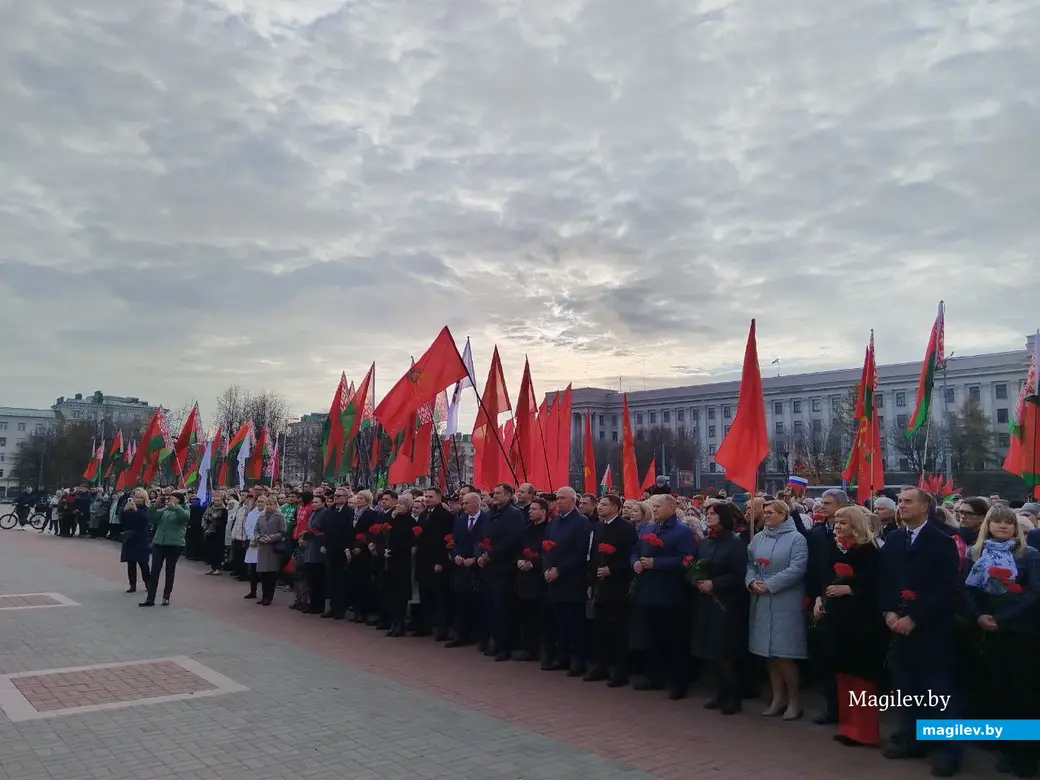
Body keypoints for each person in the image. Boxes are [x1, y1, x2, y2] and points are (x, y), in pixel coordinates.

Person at [879, 487, 961, 777]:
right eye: (899, 502)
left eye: (907, 501)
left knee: (938, 693)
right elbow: (885, 579)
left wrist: (915, 617)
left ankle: (948, 752)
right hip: (897, 628)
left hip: (931, 629)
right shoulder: (894, 539)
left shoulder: (942, 541)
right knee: (907, 690)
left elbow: (945, 587)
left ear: (925, 507)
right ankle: (912, 741)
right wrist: (889, 611)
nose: (901, 506)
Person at [963, 504, 1040, 778]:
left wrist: (1004, 618)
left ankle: (1026, 754)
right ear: (989, 525)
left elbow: (1035, 593)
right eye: (997, 522)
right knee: (1000, 689)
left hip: (1021, 633)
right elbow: (967, 589)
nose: (1003, 526)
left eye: (1008, 522)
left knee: (1024, 694)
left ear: (1016, 527)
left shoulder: (1029, 555)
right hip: (987, 630)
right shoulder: (976, 553)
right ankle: (1007, 748)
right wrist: (980, 615)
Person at [746, 499, 808, 720]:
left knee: (784, 653)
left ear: (783, 514)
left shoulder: (796, 539)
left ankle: (794, 700)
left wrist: (771, 585)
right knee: (769, 654)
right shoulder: (758, 537)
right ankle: (776, 698)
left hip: (785, 600)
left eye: (771, 512)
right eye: (765, 512)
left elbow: (797, 567)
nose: (767, 515)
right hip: (761, 600)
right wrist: (752, 582)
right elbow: (751, 564)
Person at [140, 491, 189, 607]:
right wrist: (155, 505)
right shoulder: (166, 510)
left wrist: (176, 507)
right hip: (159, 543)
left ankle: (166, 596)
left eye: (172, 497)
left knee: (169, 570)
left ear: (178, 499)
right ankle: (150, 598)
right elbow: (151, 516)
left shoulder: (184, 509)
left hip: (174, 544)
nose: (169, 499)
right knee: (155, 570)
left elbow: (184, 517)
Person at [254, 495, 288, 606]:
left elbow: (283, 532)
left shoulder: (280, 516)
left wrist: (271, 538)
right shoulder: (261, 516)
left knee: (271, 575)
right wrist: (258, 537)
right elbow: (256, 529)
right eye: (267, 504)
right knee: (263, 574)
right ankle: (264, 596)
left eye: (271, 504)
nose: (268, 506)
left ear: (275, 505)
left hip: (273, 548)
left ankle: (269, 597)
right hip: (262, 547)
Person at [119, 488, 152, 593]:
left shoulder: (146, 509)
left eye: (140, 498)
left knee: (143, 563)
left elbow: (144, 519)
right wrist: (124, 511)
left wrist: (136, 511)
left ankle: (148, 584)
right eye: (136, 497)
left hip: (141, 539)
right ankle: (132, 585)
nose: (138, 499)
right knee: (131, 563)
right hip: (130, 538)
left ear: (144, 499)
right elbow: (122, 520)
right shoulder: (129, 508)